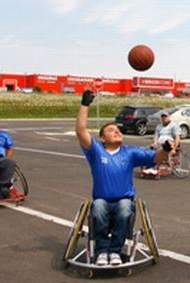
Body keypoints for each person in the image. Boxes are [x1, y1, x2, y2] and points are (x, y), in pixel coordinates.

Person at [76, 90, 168, 266]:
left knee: (125, 208)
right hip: (102, 199)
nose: (117, 131)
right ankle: (102, 251)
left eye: (118, 129)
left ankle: (115, 251)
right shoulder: (96, 151)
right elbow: (80, 131)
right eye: (112, 130)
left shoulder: (130, 152)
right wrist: (85, 104)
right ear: (102, 138)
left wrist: (166, 149)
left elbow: (155, 158)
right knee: (98, 208)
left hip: (124, 199)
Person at [144, 110, 182, 174]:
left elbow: (177, 137)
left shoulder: (174, 126)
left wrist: (174, 148)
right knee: (146, 149)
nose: (164, 118)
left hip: (168, 145)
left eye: (165, 116)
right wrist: (154, 143)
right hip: (159, 143)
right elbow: (155, 137)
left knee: (159, 151)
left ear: (169, 117)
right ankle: (148, 165)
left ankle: (154, 167)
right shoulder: (159, 126)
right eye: (163, 117)